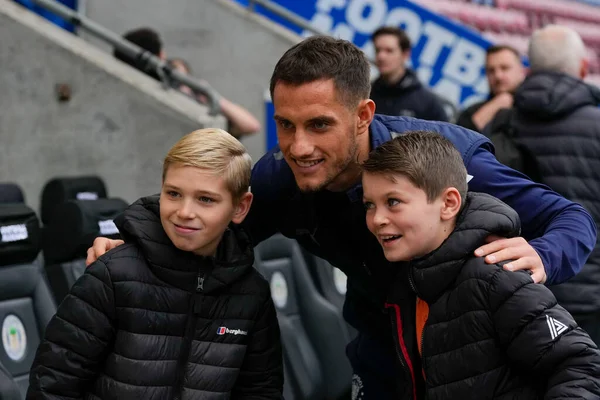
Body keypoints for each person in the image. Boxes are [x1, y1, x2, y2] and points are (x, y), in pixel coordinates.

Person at [87, 36, 597, 399]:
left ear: (364, 115)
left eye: (319, 125)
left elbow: (572, 219)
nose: (298, 146)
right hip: (379, 362)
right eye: (284, 125)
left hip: (477, 370)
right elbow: (199, 208)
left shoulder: (443, 157)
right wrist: (121, 236)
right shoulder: (282, 177)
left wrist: (541, 254)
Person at [27, 129, 283, 399]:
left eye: (205, 199)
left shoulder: (252, 294)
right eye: (173, 193)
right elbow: (52, 387)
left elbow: (261, 392)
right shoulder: (112, 275)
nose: (184, 212)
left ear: (241, 207)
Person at [361, 130, 600, 399]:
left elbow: (581, 365)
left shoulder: (495, 276)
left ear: (449, 203)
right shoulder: (406, 284)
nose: (377, 219)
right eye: (369, 205)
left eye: (393, 202)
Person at [487, 25, 600, 345]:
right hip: (590, 293)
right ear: (582, 68)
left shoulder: (501, 120)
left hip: (518, 286)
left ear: (529, 69)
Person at [370, 27, 449, 121]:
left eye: (389, 51)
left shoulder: (428, 103)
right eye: (377, 50)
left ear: (405, 54)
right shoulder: (366, 93)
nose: (381, 56)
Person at [168, 58, 261, 138]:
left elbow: (252, 126)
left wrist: (209, 95)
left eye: (185, 81)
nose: (183, 90)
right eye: (177, 83)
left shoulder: (205, 109)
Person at [456, 44, 526, 132]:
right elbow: (458, 140)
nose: (498, 76)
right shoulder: (472, 112)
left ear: (522, 71)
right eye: (491, 70)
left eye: (505, 68)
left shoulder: (536, 106)